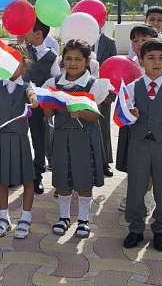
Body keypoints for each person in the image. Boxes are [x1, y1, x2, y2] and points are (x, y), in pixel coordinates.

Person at [43, 39, 112, 239]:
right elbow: (48, 113)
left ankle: (83, 219)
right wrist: (47, 108)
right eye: (68, 59)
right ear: (62, 61)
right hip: (62, 138)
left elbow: (95, 116)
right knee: (63, 180)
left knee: (84, 179)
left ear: (87, 61)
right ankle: (63, 217)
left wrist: (81, 113)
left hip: (85, 140)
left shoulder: (94, 85)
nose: (73, 63)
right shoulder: (53, 84)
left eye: (78, 59)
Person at [122, 39, 162, 252]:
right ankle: (135, 228)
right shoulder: (131, 88)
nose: (156, 62)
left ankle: (160, 229)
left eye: (161, 58)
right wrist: (131, 116)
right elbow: (123, 116)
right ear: (141, 61)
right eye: (150, 58)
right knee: (135, 187)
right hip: (138, 144)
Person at [0, 44, 39, 239]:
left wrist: (34, 100)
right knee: (2, 180)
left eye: (14, 61)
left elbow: (32, 95)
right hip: (0, 141)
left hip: (20, 141)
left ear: (23, 64)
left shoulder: (27, 86)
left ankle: (25, 217)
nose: (10, 66)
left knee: (27, 180)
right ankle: (4, 217)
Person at [117, 25, 157, 211]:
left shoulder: (160, 63)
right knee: (132, 159)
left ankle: (147, 195)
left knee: (149, 161)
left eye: (144, 39)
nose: (139, 44)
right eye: (135, 40)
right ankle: (132, 193)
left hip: (152, 122)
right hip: (130, 119)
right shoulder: (128, 63)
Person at [23, 19, 61, 195]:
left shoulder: (52, 57)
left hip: (39, 106)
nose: (24, 32)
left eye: (28, 29)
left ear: (38, 34)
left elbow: (56, 81)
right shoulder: (21, 51)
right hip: (17, 103)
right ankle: (16, 172)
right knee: (17, 139)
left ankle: (37, 175)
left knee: (39, 140)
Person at [95, 31, 118, 178]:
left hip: (104, 91)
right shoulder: (77, 35)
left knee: (103, 127)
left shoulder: (109, 42)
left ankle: (104, 162)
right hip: (80, 90)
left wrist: (111, 94)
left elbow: (115, 68)